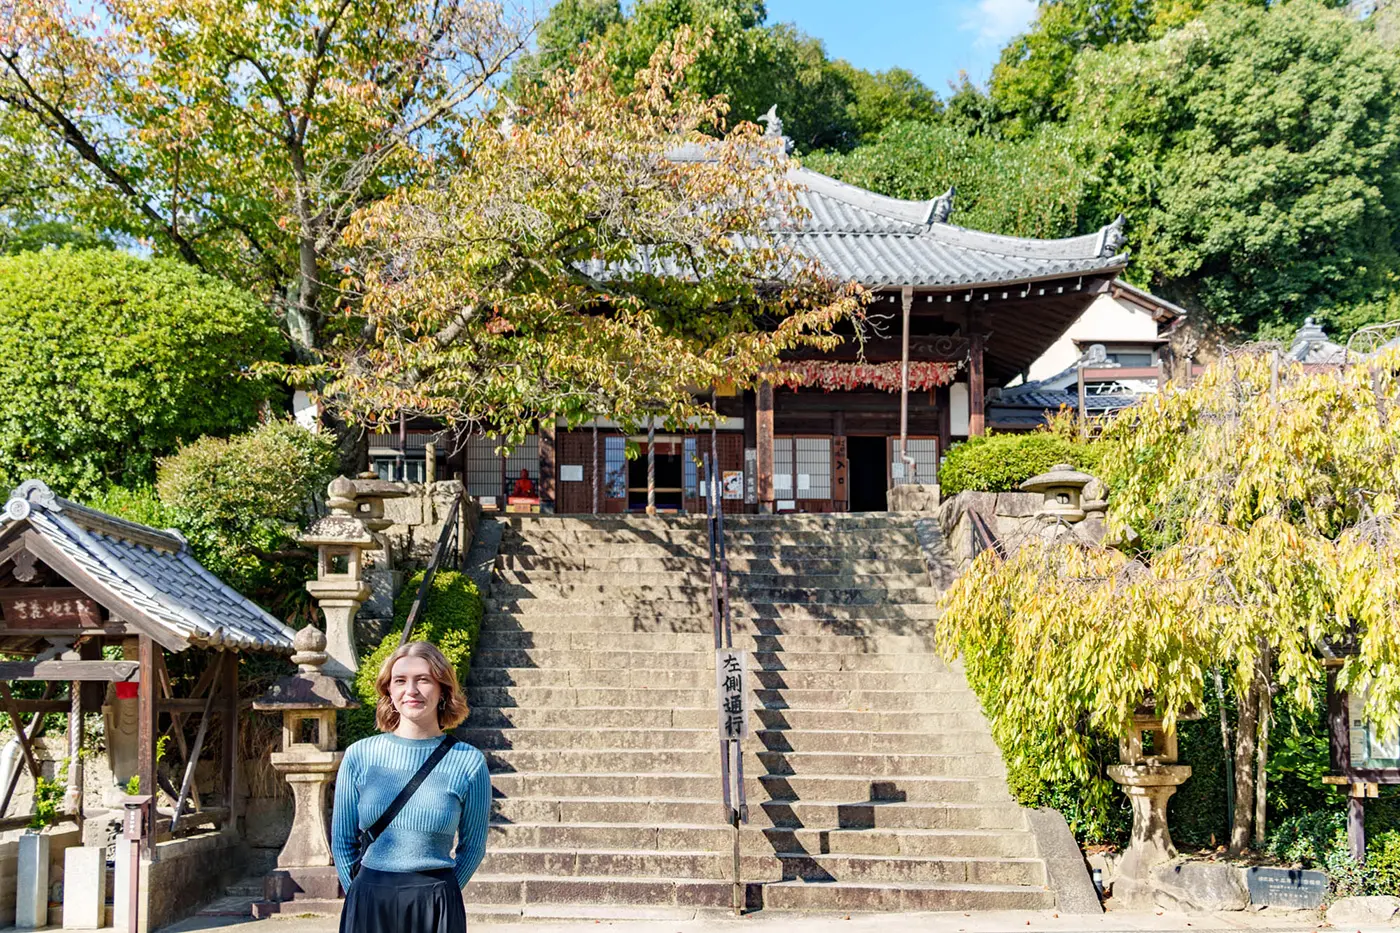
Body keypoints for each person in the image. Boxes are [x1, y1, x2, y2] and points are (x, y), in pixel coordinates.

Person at [331, 641, 489, 933]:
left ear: (443, 689)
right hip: (369, 898)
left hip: (436, 901)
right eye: (400, 680)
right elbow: (342, 842)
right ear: (388, 690)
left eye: (424, 680)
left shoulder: (468, 761)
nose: (411, 690)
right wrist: (359, 893)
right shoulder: (360, 755)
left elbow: (474, 846)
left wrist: (446, 891)